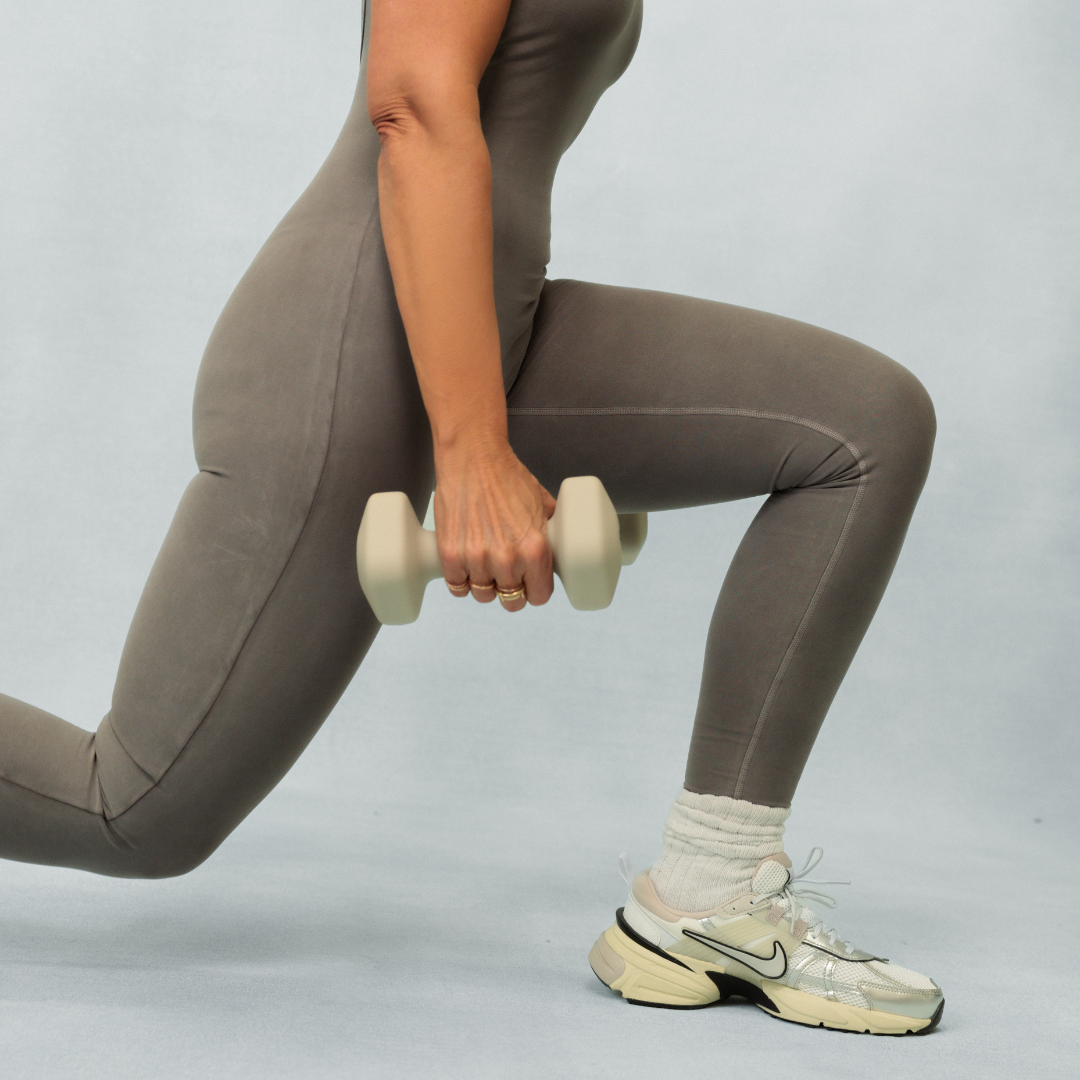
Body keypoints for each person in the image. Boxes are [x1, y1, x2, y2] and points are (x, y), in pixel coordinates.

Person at [0, 0, 942, 1034]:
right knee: (136, 811)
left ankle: (710, 898)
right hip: (350, 351)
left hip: (493, 325)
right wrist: (474, 452)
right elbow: (412, 105)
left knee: (859, 427)